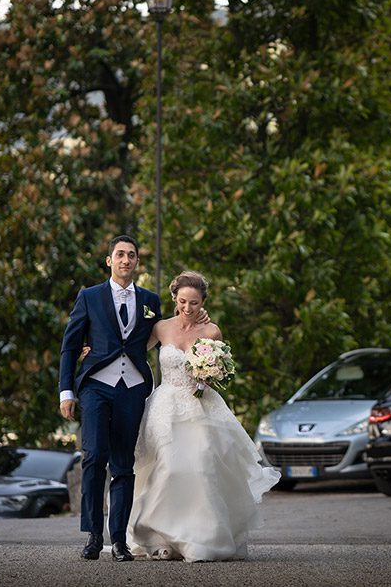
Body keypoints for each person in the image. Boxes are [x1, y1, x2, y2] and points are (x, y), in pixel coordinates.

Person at [58, 235, 207, 562]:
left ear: (137, 261)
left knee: (124, 465)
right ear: (109, 260)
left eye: (132, 255)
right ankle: (93, 535)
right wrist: (66, 391)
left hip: (133, 388)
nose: (126, 260)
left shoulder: (150, 300)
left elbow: (171, 330)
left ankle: (119, 541)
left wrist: (199, 320)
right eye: (120, 255)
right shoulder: (89, 297)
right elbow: (70, 346)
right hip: (96, 386)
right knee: (94, 456)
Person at [126, 270, 280, 562]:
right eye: (183, 301)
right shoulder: (161, 327)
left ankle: (202, 538)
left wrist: (208, 374)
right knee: (167, 468)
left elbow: (223, 371)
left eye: (194, 303)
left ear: (203, 302)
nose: (188, 308)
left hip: (201, 407)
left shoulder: (212, 332)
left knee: (202, 467)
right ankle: (158, 537)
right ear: (174, 298)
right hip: (166, 407)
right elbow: (132, 351)